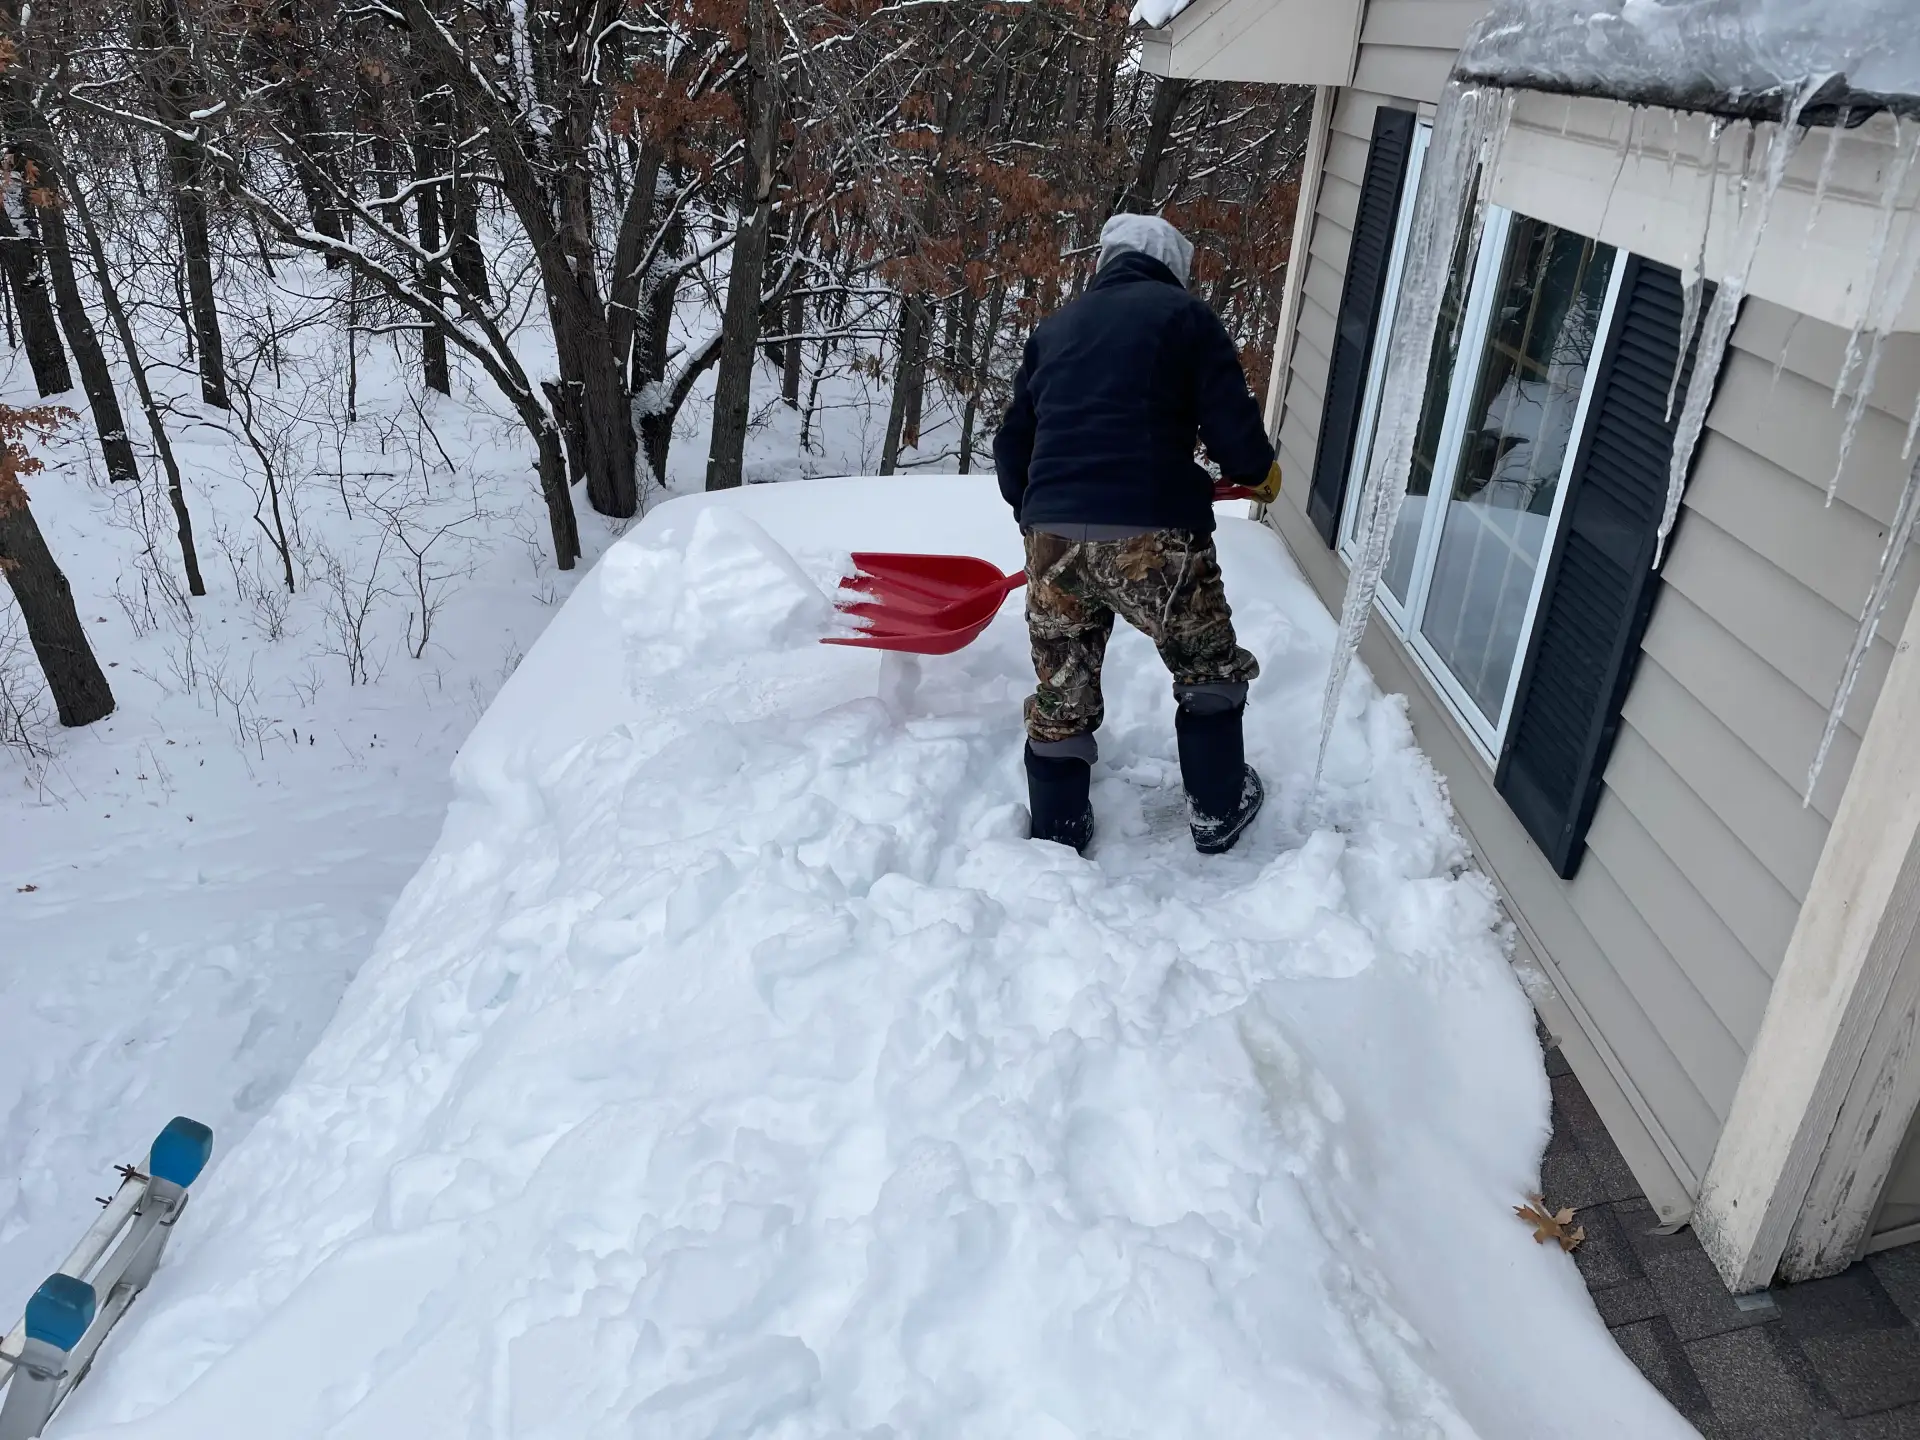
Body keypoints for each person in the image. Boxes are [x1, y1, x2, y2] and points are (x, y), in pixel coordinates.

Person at [993, 213, 1282, 856]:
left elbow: (1014, 446)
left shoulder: (1055, 328)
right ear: (1172, 266)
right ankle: (1216, 808)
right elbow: (1230, 426)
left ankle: (1058, 835)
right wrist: (1259, 474)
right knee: (1206, 663)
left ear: (1108, 260)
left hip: (1053, 535)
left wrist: (1039, 518)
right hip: (1156, 533)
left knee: (1062, 686)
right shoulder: (1186, 318)